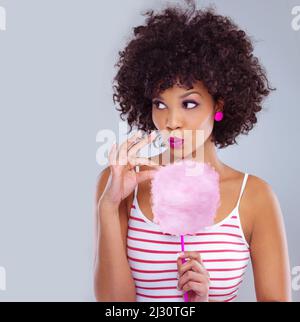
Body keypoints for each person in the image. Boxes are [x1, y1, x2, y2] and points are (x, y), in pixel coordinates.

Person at [94, 1, 291, 302]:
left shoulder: (255, 197)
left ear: (219, 106)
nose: (171, 122)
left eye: (189, 103)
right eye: (160, 104)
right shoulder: (119, 184)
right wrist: (108, 207)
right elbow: (114, 306)